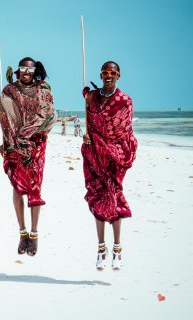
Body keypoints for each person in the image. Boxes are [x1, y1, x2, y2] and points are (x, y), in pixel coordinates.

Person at [0, 57, 56, 256]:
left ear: (35, 71)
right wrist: (6, 143)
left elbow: (47, 116)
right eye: (22, 68)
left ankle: (34, 234)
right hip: (14, 144)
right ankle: (22, 233)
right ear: (18, 71)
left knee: (35, 187)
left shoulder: (44, 91)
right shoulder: (9, 92)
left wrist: (27, 135)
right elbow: (6, 120)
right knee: (17, 188)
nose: (26, 72)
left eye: (30, 69)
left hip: (36, 145)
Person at [81, 61, 137, 271]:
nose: (108, 76)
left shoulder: (124, 101)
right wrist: (88, 136)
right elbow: (91, 121)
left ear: (119, 75)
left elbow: (125, 132)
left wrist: (110, 148)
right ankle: (100, 247)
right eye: (105, 72)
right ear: (101, 74)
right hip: (94, 155)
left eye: (113, 73)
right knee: (97, 199)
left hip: (114, 159)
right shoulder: (91, 97)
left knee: (113, 198)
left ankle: (118, 248)